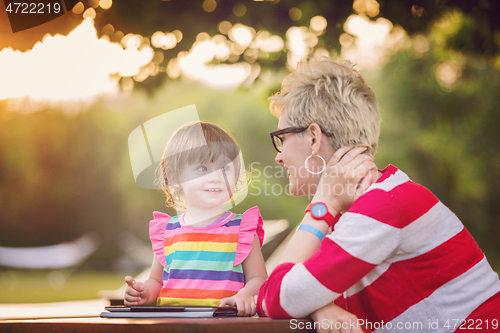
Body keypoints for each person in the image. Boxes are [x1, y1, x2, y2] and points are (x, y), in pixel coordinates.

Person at [256, 57, 500, 332]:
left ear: (313, 137)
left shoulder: (383, 205)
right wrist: (318, 304)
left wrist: (322, 203)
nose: (279, 157)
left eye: (282, 138)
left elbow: (275, 296)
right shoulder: (359, 208)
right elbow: (282, 287)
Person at [124, 121, 268, 317]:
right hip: (171, 326)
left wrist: (246, 294)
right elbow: (157, 282)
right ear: (175, 177)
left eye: (225, 168)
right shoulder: (167, 231)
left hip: (225, 324)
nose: (216, 177)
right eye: (202, 168)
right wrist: (145, 292)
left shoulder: (241, 229)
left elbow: (259, 279)